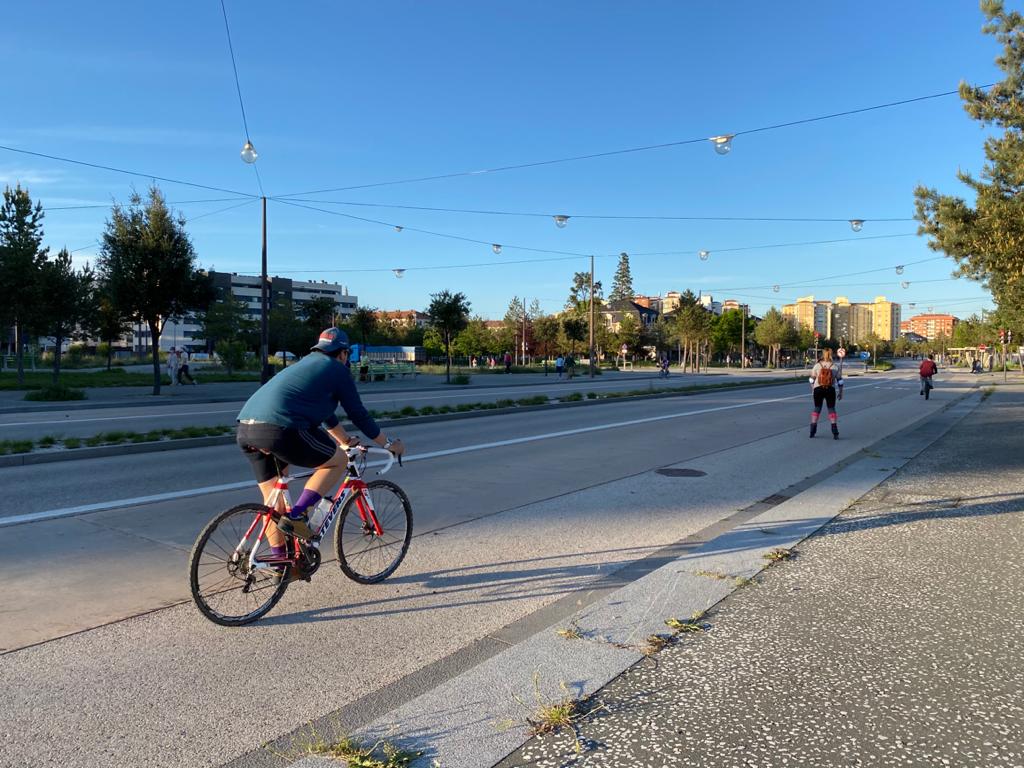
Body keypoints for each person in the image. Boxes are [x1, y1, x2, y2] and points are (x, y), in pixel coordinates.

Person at [235, 328, 405, 553]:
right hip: (282, 428)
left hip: (246, 428)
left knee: (273, 504)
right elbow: (358, 414)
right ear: (343, 354)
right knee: (337, 461)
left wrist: (344, 439)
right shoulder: (337, 370)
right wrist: (388, 443)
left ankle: (281, 566)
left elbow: (326, 415)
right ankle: (297, 517)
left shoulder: (305, 365)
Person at [808, 348, 842, 439]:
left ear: (822, 355)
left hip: (818, 390)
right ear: (831, 354)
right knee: (831, 409)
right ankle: (835, 431)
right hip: (830, 390)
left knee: (817, 408)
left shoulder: (817, 365)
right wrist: (841, 392)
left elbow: (811, 379)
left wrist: (813, 388)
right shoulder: (835, 366)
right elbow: (840, 381)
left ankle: (812, 430)